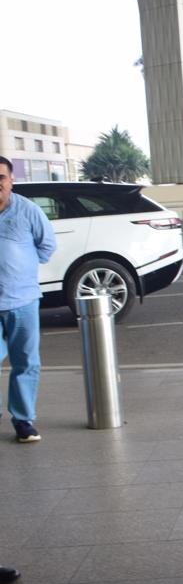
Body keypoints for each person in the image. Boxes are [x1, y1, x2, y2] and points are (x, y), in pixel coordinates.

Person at [0, 156, 56, 442]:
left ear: (11, 180)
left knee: (26, 362)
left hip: (22, 300)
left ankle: (23, 421)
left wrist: (21, 268)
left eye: (1, 177)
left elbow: (47, 245)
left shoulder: (28, 211)